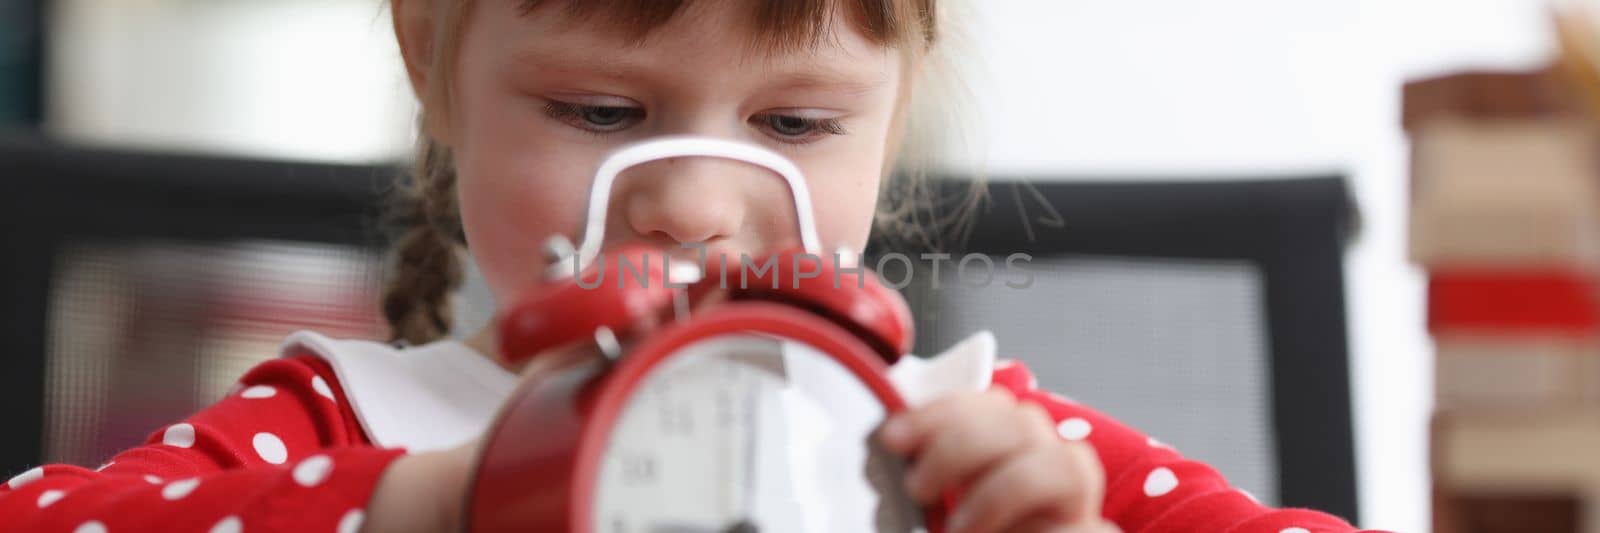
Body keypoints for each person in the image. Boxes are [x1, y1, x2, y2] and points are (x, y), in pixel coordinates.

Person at [0, 1, 1383, 532]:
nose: (699, 205)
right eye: (602, 113)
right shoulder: (346, 429)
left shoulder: (961, 445)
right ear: (434, 59)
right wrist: (432, 507)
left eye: (794, 124)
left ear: (893, 110)